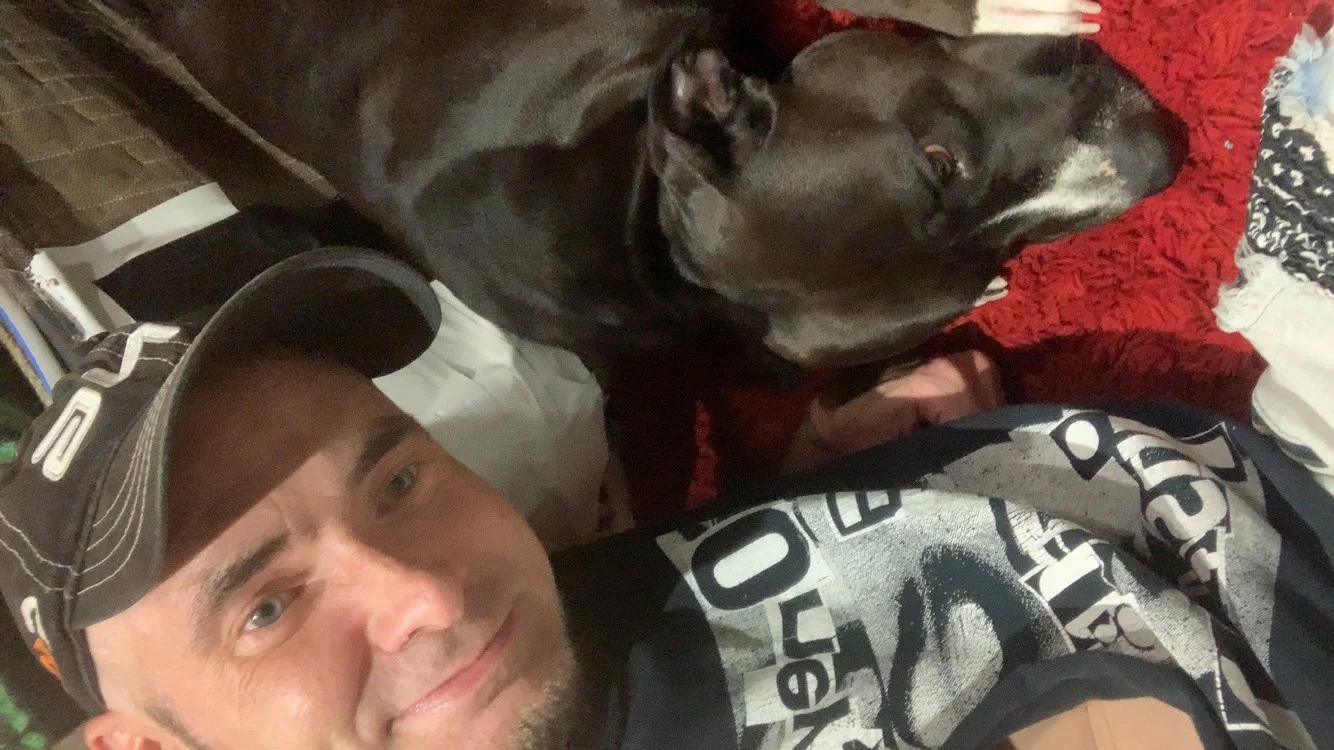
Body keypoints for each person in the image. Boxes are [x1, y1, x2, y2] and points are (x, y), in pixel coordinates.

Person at [5, 15, 1334, 750]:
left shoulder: (522, 620)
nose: (424, 593)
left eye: (396, 475)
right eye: (265, 606)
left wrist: (811, 482)